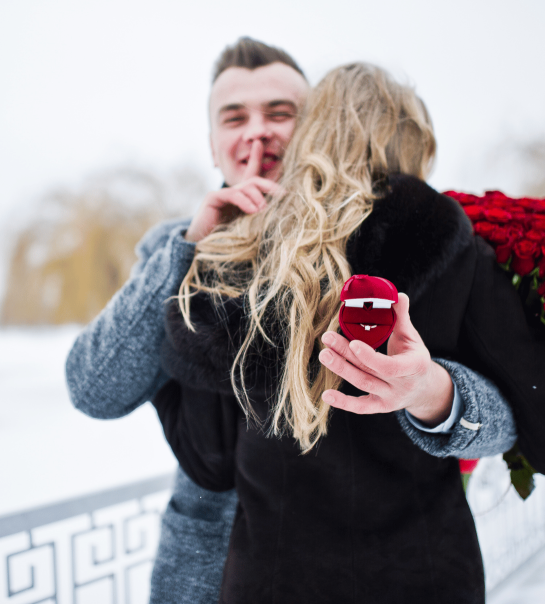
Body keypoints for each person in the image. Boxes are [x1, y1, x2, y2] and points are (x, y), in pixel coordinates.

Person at [66, 40, 517, 603]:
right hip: (203, 580)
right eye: (235, 118)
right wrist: (190, 248)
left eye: (281, 113)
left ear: (319, 127)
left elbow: (506, 419)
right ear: (213, 145)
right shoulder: (172, 249)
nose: (257, 132)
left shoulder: (399, 237)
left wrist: (433, 391)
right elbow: (93, 389)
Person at [153, 63, 545, 602]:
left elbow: (210, 461)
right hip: (422, 581)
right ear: (411, 139)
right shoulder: (452, 243)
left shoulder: (239, 253)